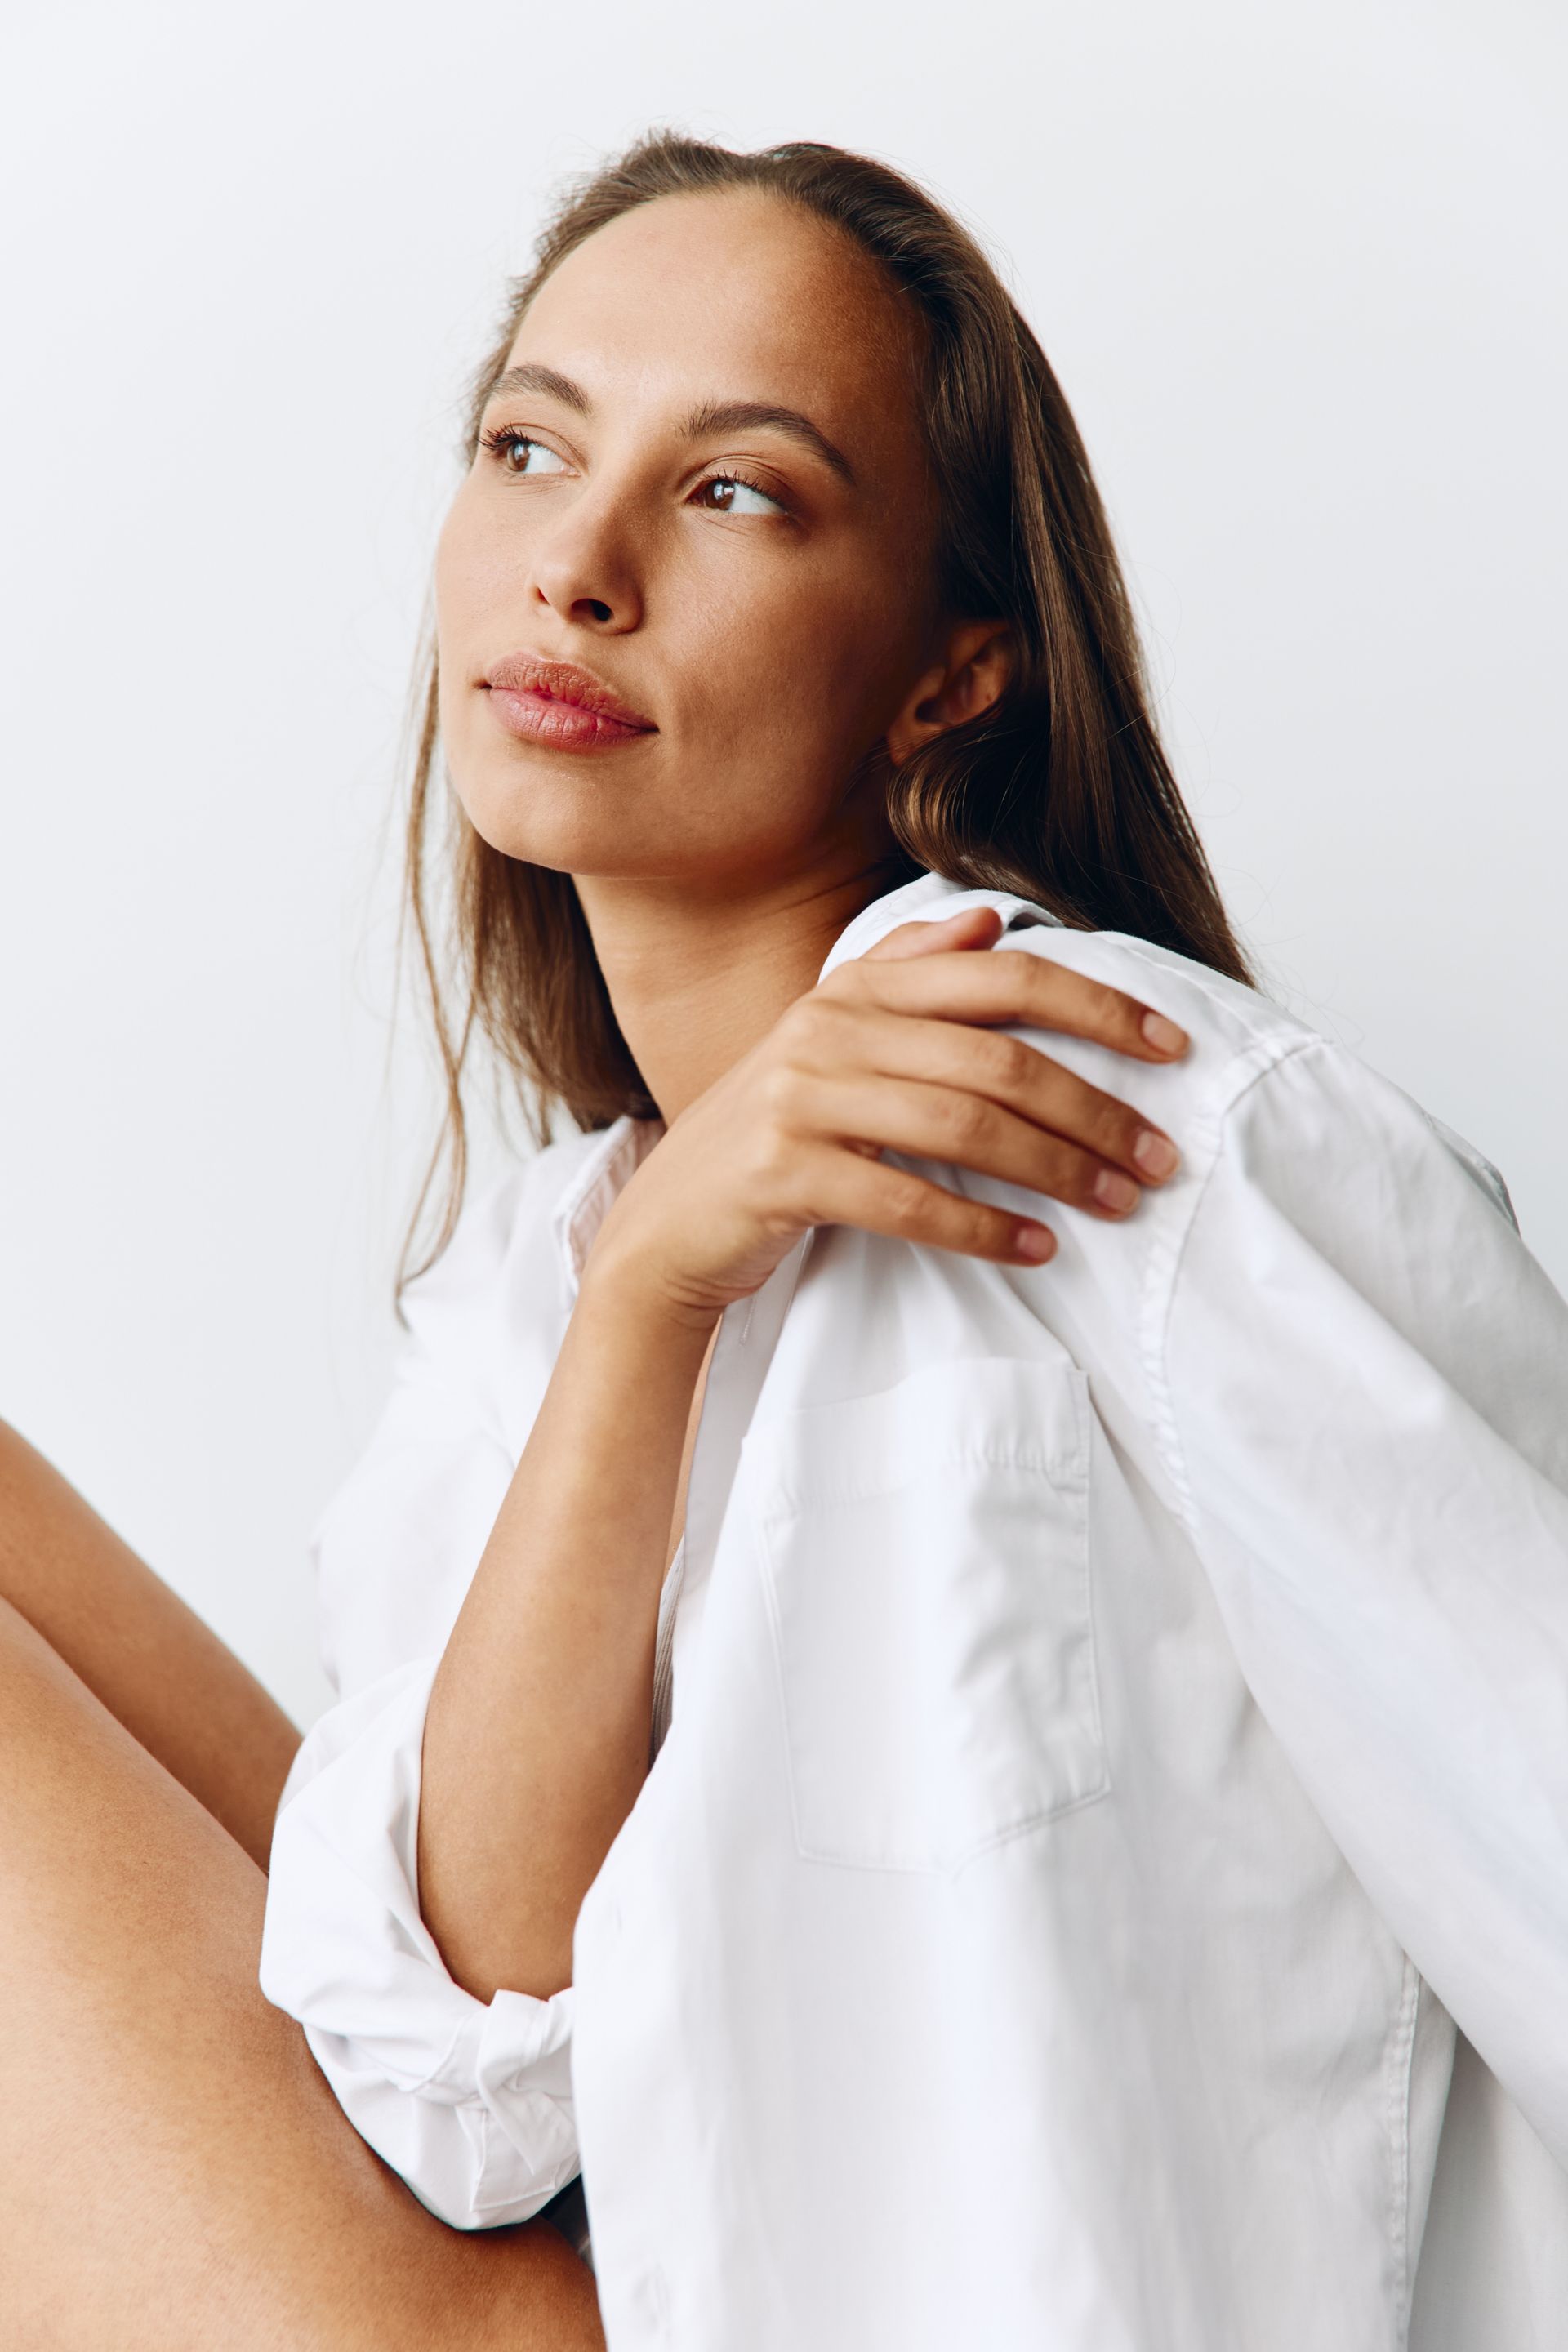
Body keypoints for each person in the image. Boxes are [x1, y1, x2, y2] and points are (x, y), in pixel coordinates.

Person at [3, 128, 1564, 2349]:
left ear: (952, 676)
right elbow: (459, 2090)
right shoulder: (545, 1288)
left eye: (735, 490)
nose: (577, 568)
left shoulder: (1117, 1120)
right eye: (530, 447)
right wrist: (652, 1302)